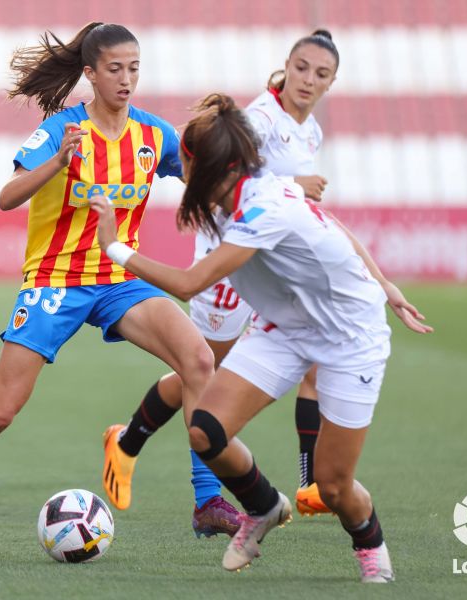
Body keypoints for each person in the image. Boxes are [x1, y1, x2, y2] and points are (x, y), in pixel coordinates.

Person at [0, 23, 214, 558]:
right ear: (90, 73)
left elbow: (205, 179)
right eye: (114, 68)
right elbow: (7, 196)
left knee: (198, 360)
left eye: (134, 68)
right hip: (55, 282)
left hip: (118, 279)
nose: (126, 78)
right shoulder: (60, 130)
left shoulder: (153, 135)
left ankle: (207, 500)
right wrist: (59, 162)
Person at [90, 93, 433, 582]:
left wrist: (113, 247)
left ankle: (369, 542)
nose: (180, 170)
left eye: (185, 162)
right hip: (285, 327)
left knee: (333, 487)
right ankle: (263, 506)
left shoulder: (262, 211)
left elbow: (189, 284)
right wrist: (385, 282)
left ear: (210, 168)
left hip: (350, 338)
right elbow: (331, 225)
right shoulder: (243, 192)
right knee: (206, 431)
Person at [103, 29, 339, 525]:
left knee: (315, 354)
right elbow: (218, 173)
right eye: (301, 68)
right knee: (202, 368)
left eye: (321, 74)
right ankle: (129, 442)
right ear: (287, 65)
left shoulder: (311, 130)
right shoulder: (259, 120)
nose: (307, 80)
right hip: (226, 260)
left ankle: (310, 484)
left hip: (271, 261)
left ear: (331, 82)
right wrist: (295, 184)